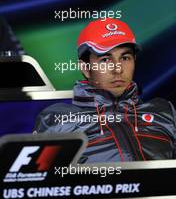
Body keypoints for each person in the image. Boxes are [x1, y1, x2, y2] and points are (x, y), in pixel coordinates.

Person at [34, 18, 176, 162]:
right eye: (105, 60)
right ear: (85, 68)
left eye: (125, 58)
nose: (118, 69)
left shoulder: (165, 111)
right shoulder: (56, 120)